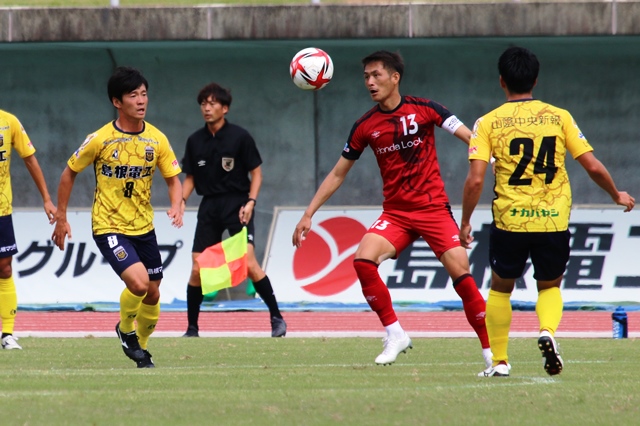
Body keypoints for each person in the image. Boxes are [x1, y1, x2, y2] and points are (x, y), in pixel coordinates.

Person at [292, 50, 491, 366]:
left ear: (395, 77)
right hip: (396, 214)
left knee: (462, 277)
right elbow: (338, 173)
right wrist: (308, 213)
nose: (370, 82)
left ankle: (492, 355)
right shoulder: (365, 126)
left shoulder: (425, 109)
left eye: (376, 75)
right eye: (366, 77)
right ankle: (395, 333)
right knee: (363, 261)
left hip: (433, 210)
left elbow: (468, 135)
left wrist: (490, 156)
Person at [460, 46, 635, 377]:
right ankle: (547, 331)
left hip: (509, 221)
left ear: (501, 81)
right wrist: (616, 195)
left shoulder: (487, 122)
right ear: (535, 80)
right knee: (550, 287)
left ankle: (500, 361)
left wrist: (466, 222)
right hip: (553, 219)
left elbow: (475, 180)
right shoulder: (559, 117)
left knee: (501, 288)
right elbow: (592, 166)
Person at [51, 67, 184, 368]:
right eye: (133, 95)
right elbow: (68, 173)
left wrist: (177, 205)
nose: (141, 100)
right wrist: (61, 216)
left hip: (143, 226)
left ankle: (142, 348)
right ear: (117, 102)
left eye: (144, 94)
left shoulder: (157, 139)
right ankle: (125, 330)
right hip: (108, 225)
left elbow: (173, 179)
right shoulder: (100, 139)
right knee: (139, 283)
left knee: (153, 292)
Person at [180, 82, 286, 338]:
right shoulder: (194, 140)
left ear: (225, 108)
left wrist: (251, 202)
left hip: (238, 205)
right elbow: (190, 178)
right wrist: (180, 201)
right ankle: (192, 328)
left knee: (249, 264)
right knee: (197, 268)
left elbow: (257, 173)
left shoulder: (240, 137)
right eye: (203, 104)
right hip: (209, 206)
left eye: (212, 103)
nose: (207, 108)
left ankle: (277, 318)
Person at [0, 110, 56, 350]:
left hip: (1, 209)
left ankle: (7, 334)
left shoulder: (8, 121)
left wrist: (46, 198)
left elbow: (30, 158)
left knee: (4, 267)